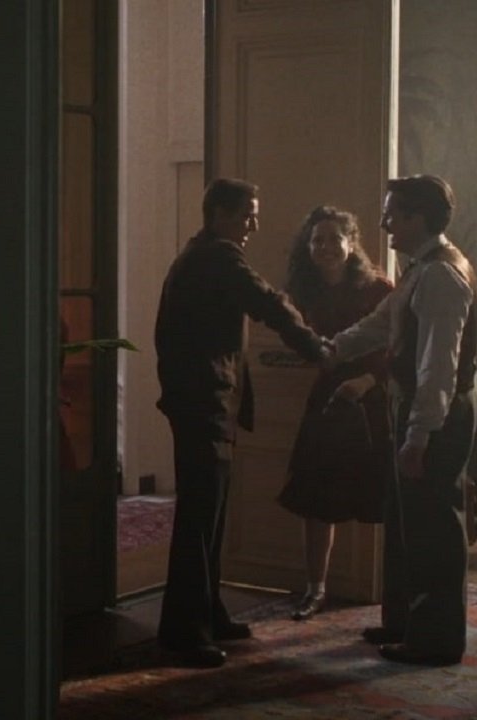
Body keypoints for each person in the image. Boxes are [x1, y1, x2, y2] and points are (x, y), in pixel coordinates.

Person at [154, 178, 326, 668]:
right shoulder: (219, 257)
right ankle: (185, 633)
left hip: (202, 403)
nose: (254, 224)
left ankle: (208, 613)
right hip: (203, 403)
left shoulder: (201, 254)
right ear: (220, 214)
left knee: (209, 517)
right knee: (199, 520)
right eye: (247, 214)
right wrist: (315, 348)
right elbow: (268, 301)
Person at [326, 174, 477, 666]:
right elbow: (381, 324)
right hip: (415, 408)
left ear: (418, 218)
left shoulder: (440, 276)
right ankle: (405, 623)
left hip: (434, 414)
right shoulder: (421, 270)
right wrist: (330, 348)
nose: (384, 223)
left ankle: (436, 640)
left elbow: (438, 368)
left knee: (432, 527)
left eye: (392, 214)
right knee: (407, 521)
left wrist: (419, 436)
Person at [278, 206, 394, 621]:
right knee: (316, 496)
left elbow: (399, 347)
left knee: (383, 495)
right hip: (328, 394)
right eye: (317, 240)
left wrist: (369, 381)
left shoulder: (378, 288)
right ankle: (316, 589)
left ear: (351, 242)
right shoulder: (305, 291)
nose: (325, 247)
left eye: (333, 239)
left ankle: (392, 593)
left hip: (372, 395)